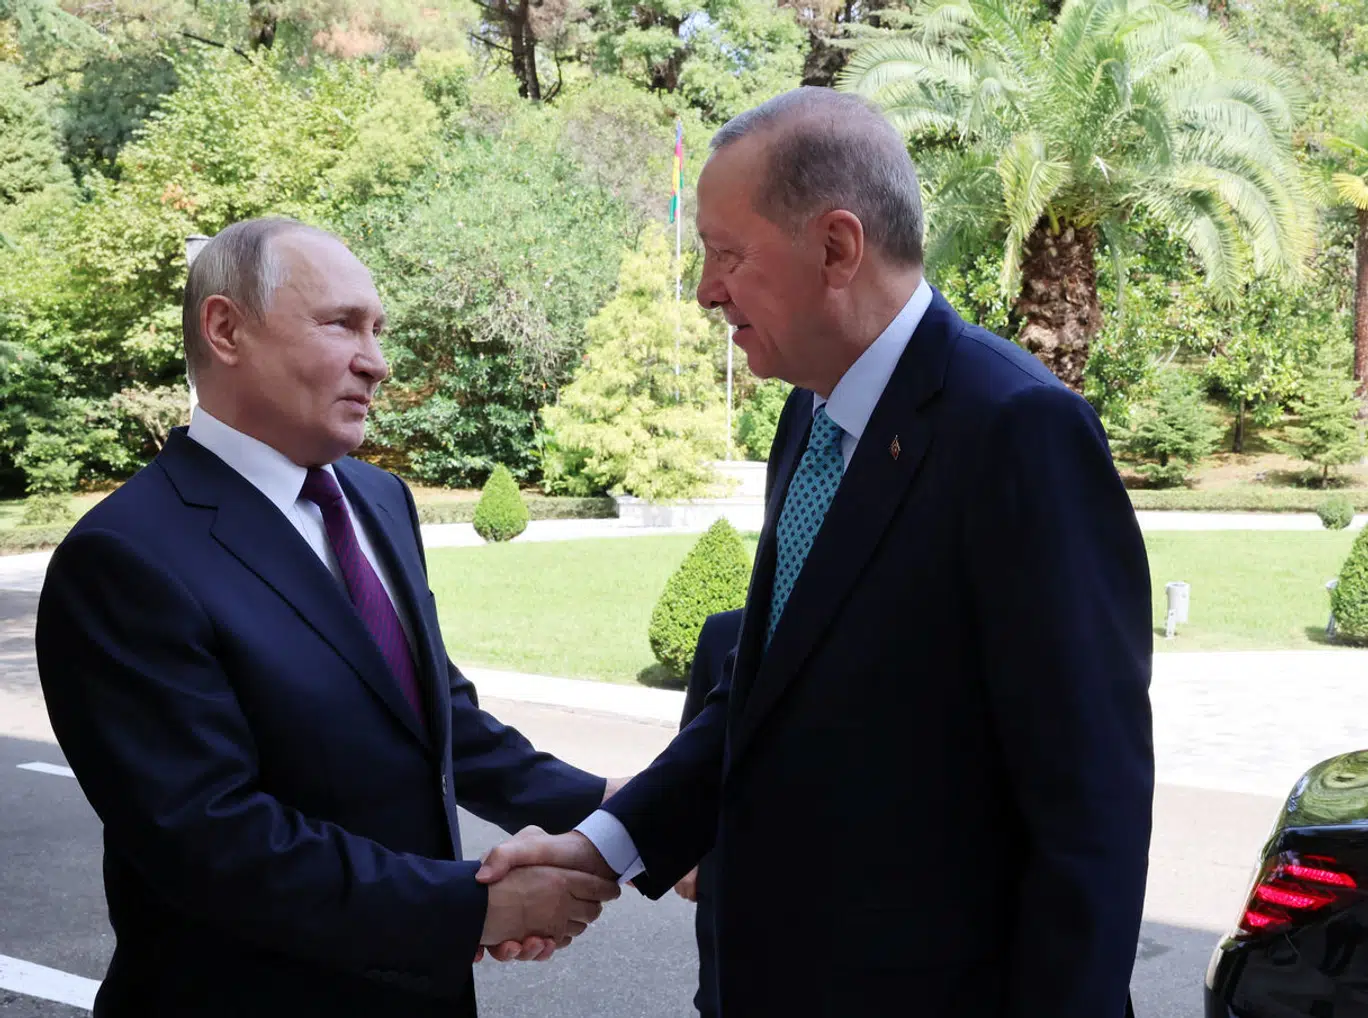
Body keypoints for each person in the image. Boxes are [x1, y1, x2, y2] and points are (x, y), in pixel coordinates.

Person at [477, 87, 1155, 1017]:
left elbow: (1091, 806)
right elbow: (761, 693)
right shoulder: (810, 413)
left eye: (726, 255)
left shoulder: (1016, 430)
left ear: (837, 247)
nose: (707, 289)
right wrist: (606, 842)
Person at [34, 217, 620, 1018]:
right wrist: (477, 907)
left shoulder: (380, 499)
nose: (376, 362)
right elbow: (214, 843)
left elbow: (431, 718)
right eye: (341, 324)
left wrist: (613, 809)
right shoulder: (125, 557)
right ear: (225, 328)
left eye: (378, 329)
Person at [672, 609, 744, 1018]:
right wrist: (686, 850)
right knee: (718, 1000)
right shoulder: (723, 631)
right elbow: (693, 745)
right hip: (726, 865)